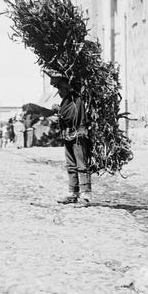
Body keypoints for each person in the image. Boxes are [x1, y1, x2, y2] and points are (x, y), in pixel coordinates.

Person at [41, 72, 92, 204]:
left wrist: (59, 111)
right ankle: (72, 192)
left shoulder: (77, 100)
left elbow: (73, 117)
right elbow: (64, 118)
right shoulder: (66, 101)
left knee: (81, 165)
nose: (59, 92)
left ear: (66, 88)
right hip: (68, 136)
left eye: (60, 89)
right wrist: (56, 112)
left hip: (78, 136)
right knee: (70, 165)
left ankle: (85, 194)